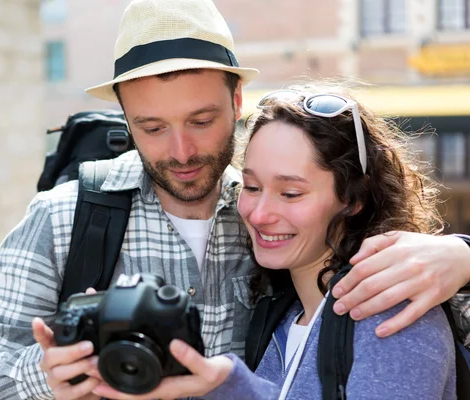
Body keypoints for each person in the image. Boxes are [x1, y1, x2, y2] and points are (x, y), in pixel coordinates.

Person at [0, 1, 470, 399]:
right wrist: (41, 378)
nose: (181, 151)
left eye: (201, 121)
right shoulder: (65, 217)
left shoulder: (267, 217)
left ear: (236, 100)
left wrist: (462, 254)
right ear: (127, 120)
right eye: (151, 128)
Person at [91, 83, 459, 400]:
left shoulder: (392, 312)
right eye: (251, 187)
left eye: (291, 193)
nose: (259, 213)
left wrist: (231, 385)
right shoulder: (279, 314)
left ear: (353, 199)